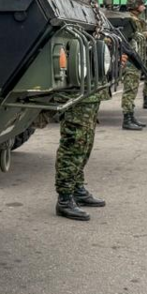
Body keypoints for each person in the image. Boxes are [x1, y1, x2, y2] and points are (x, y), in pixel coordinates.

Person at [53, 87, 106, 221]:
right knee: (74, 144)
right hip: (74, 93)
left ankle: (77, 189)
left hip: (90, 91)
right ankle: (64, 199)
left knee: (85, 143)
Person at [120, 0, 147, 130]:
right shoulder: (129, 20)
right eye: (142, 4)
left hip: (137, 60)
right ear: (136, 5)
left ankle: (131, 117)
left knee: (132, 91)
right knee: (129, 91)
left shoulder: (137, 20)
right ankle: (127, 119)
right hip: (131, 61)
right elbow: (124, 40)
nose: (144, 6)